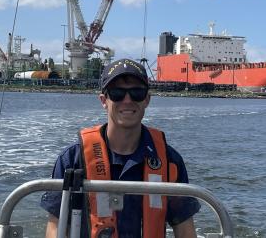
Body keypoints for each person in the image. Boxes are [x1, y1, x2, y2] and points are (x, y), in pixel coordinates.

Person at [41, 58, 199, 237]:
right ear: (103, 100)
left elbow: (185, 229)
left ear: (147, 99)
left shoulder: (170, 161)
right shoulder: (72, 160)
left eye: (137, 92)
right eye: (117, 93)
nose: (127, 100)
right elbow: (55, 227)